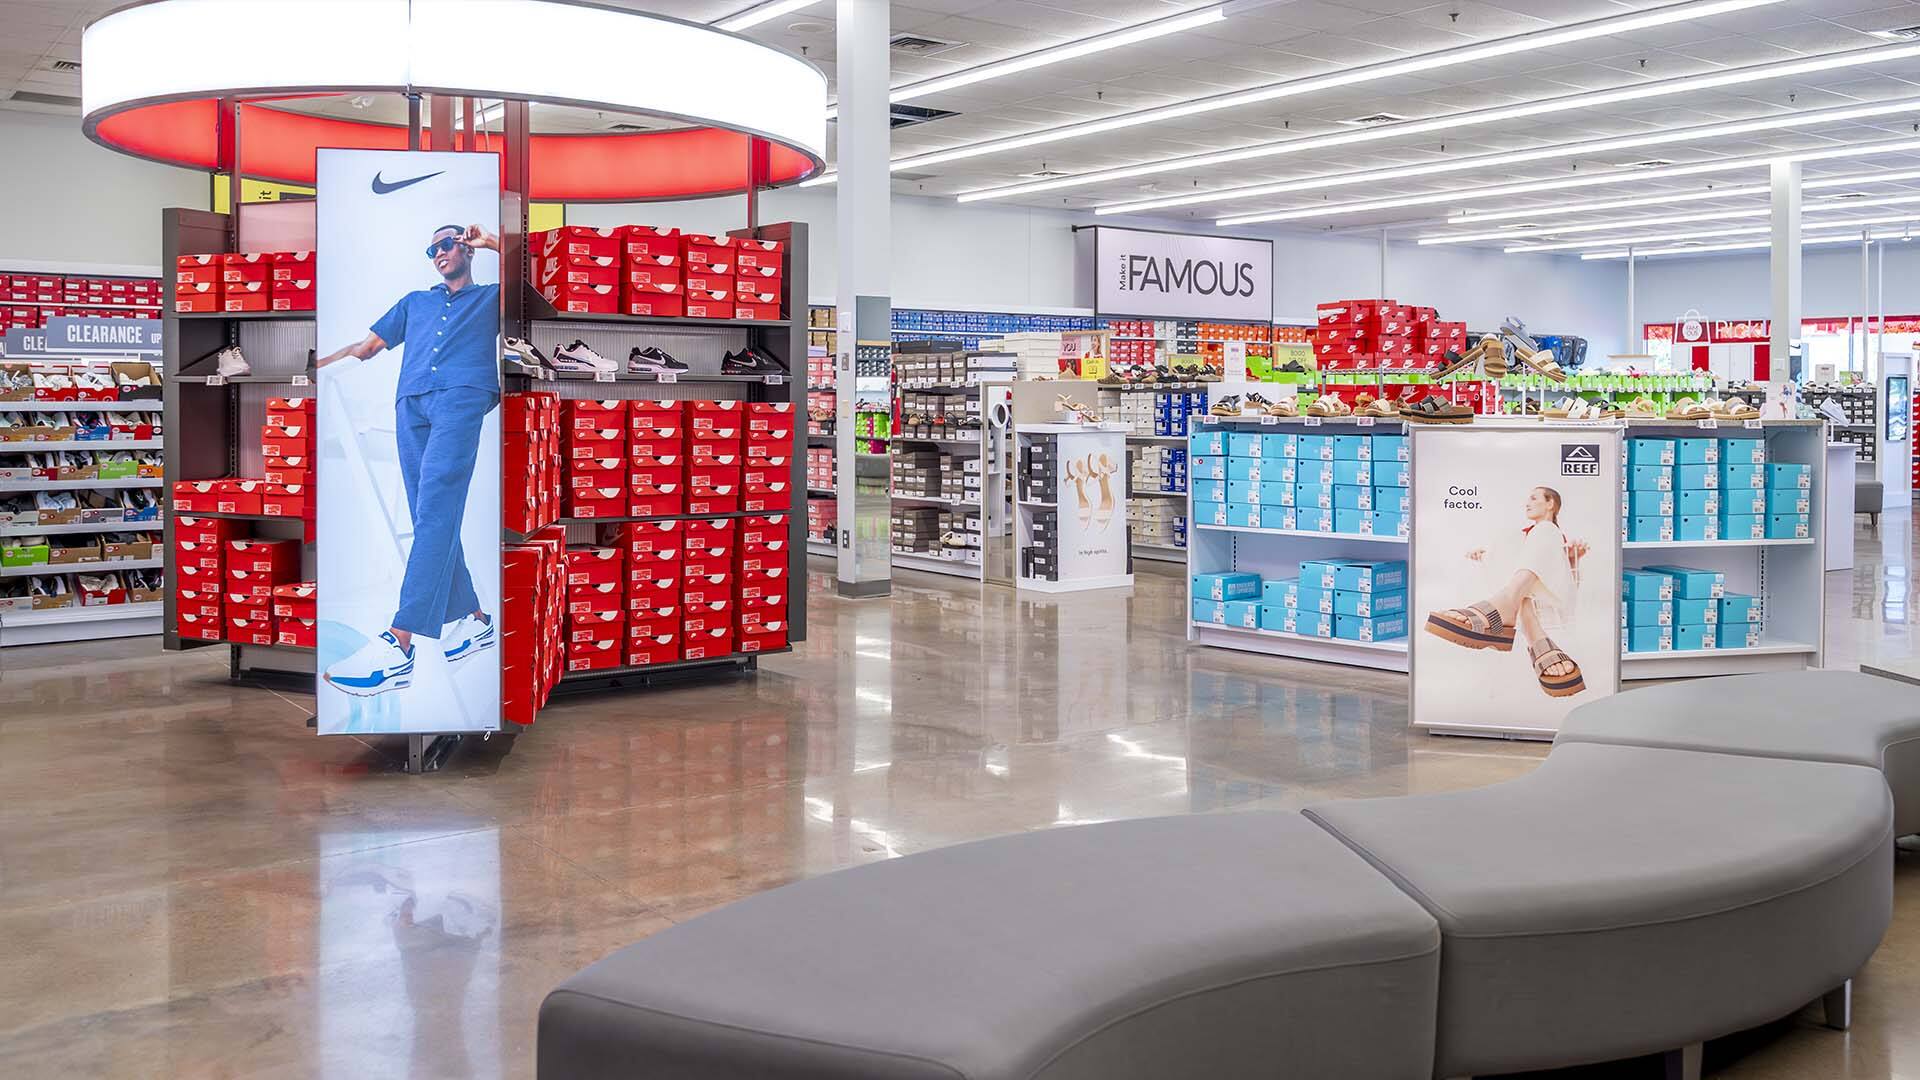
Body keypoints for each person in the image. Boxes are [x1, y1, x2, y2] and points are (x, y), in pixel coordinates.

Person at [318, 224, 501, 697]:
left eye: (447, 244)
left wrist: (493, 242)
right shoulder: (414, 302)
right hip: (411, 405)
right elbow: (365, 349)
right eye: (431, 249)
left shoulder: (493, 298)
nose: (438, 253)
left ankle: (400, 642)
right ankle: (475, 619)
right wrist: (312, 367)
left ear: (466, 247)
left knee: (436, 506)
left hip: (462, 396)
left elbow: (534, 287)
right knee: (429, 516)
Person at [1424, 485, 1590, 697]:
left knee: (1545, 530)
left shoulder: (1553, 535)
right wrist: (1487, 556)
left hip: (1551, 603)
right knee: (1510, 538)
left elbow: (1569, 588)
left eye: (1534, 498)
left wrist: (1573, 560)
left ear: (1551, 504)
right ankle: (1532, 631)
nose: (1527, 503)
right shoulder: (1521, 539)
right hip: (1528, 600)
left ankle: (1504, 610)